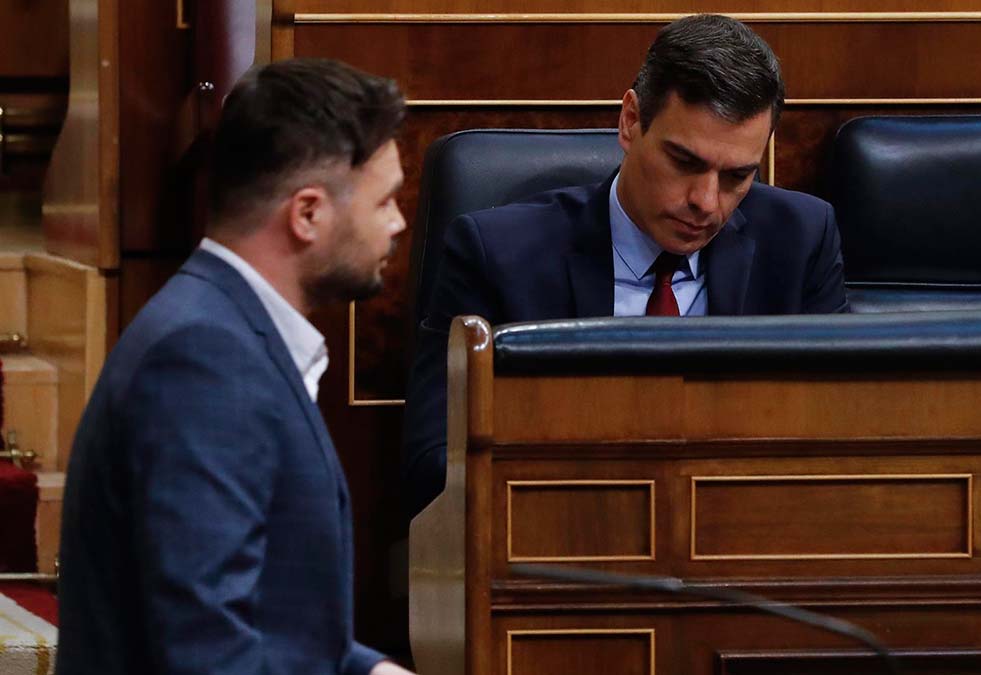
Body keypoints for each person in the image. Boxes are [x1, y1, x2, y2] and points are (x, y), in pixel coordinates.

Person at [403, 14, 849, 518]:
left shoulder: (800, 239)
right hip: (562, 543)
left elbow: (837, 439)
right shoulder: (497, 254)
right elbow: (433, 463)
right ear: (631, 120)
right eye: (684, 162)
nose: (706, 202)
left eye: (737, 176)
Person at [57, 58, 414, 675]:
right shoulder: (203, 361)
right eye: (384, 201)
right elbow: (205, 650)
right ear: (307, 214)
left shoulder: (224, 332)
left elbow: (277, 620)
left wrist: (368, 670)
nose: (398, 223)